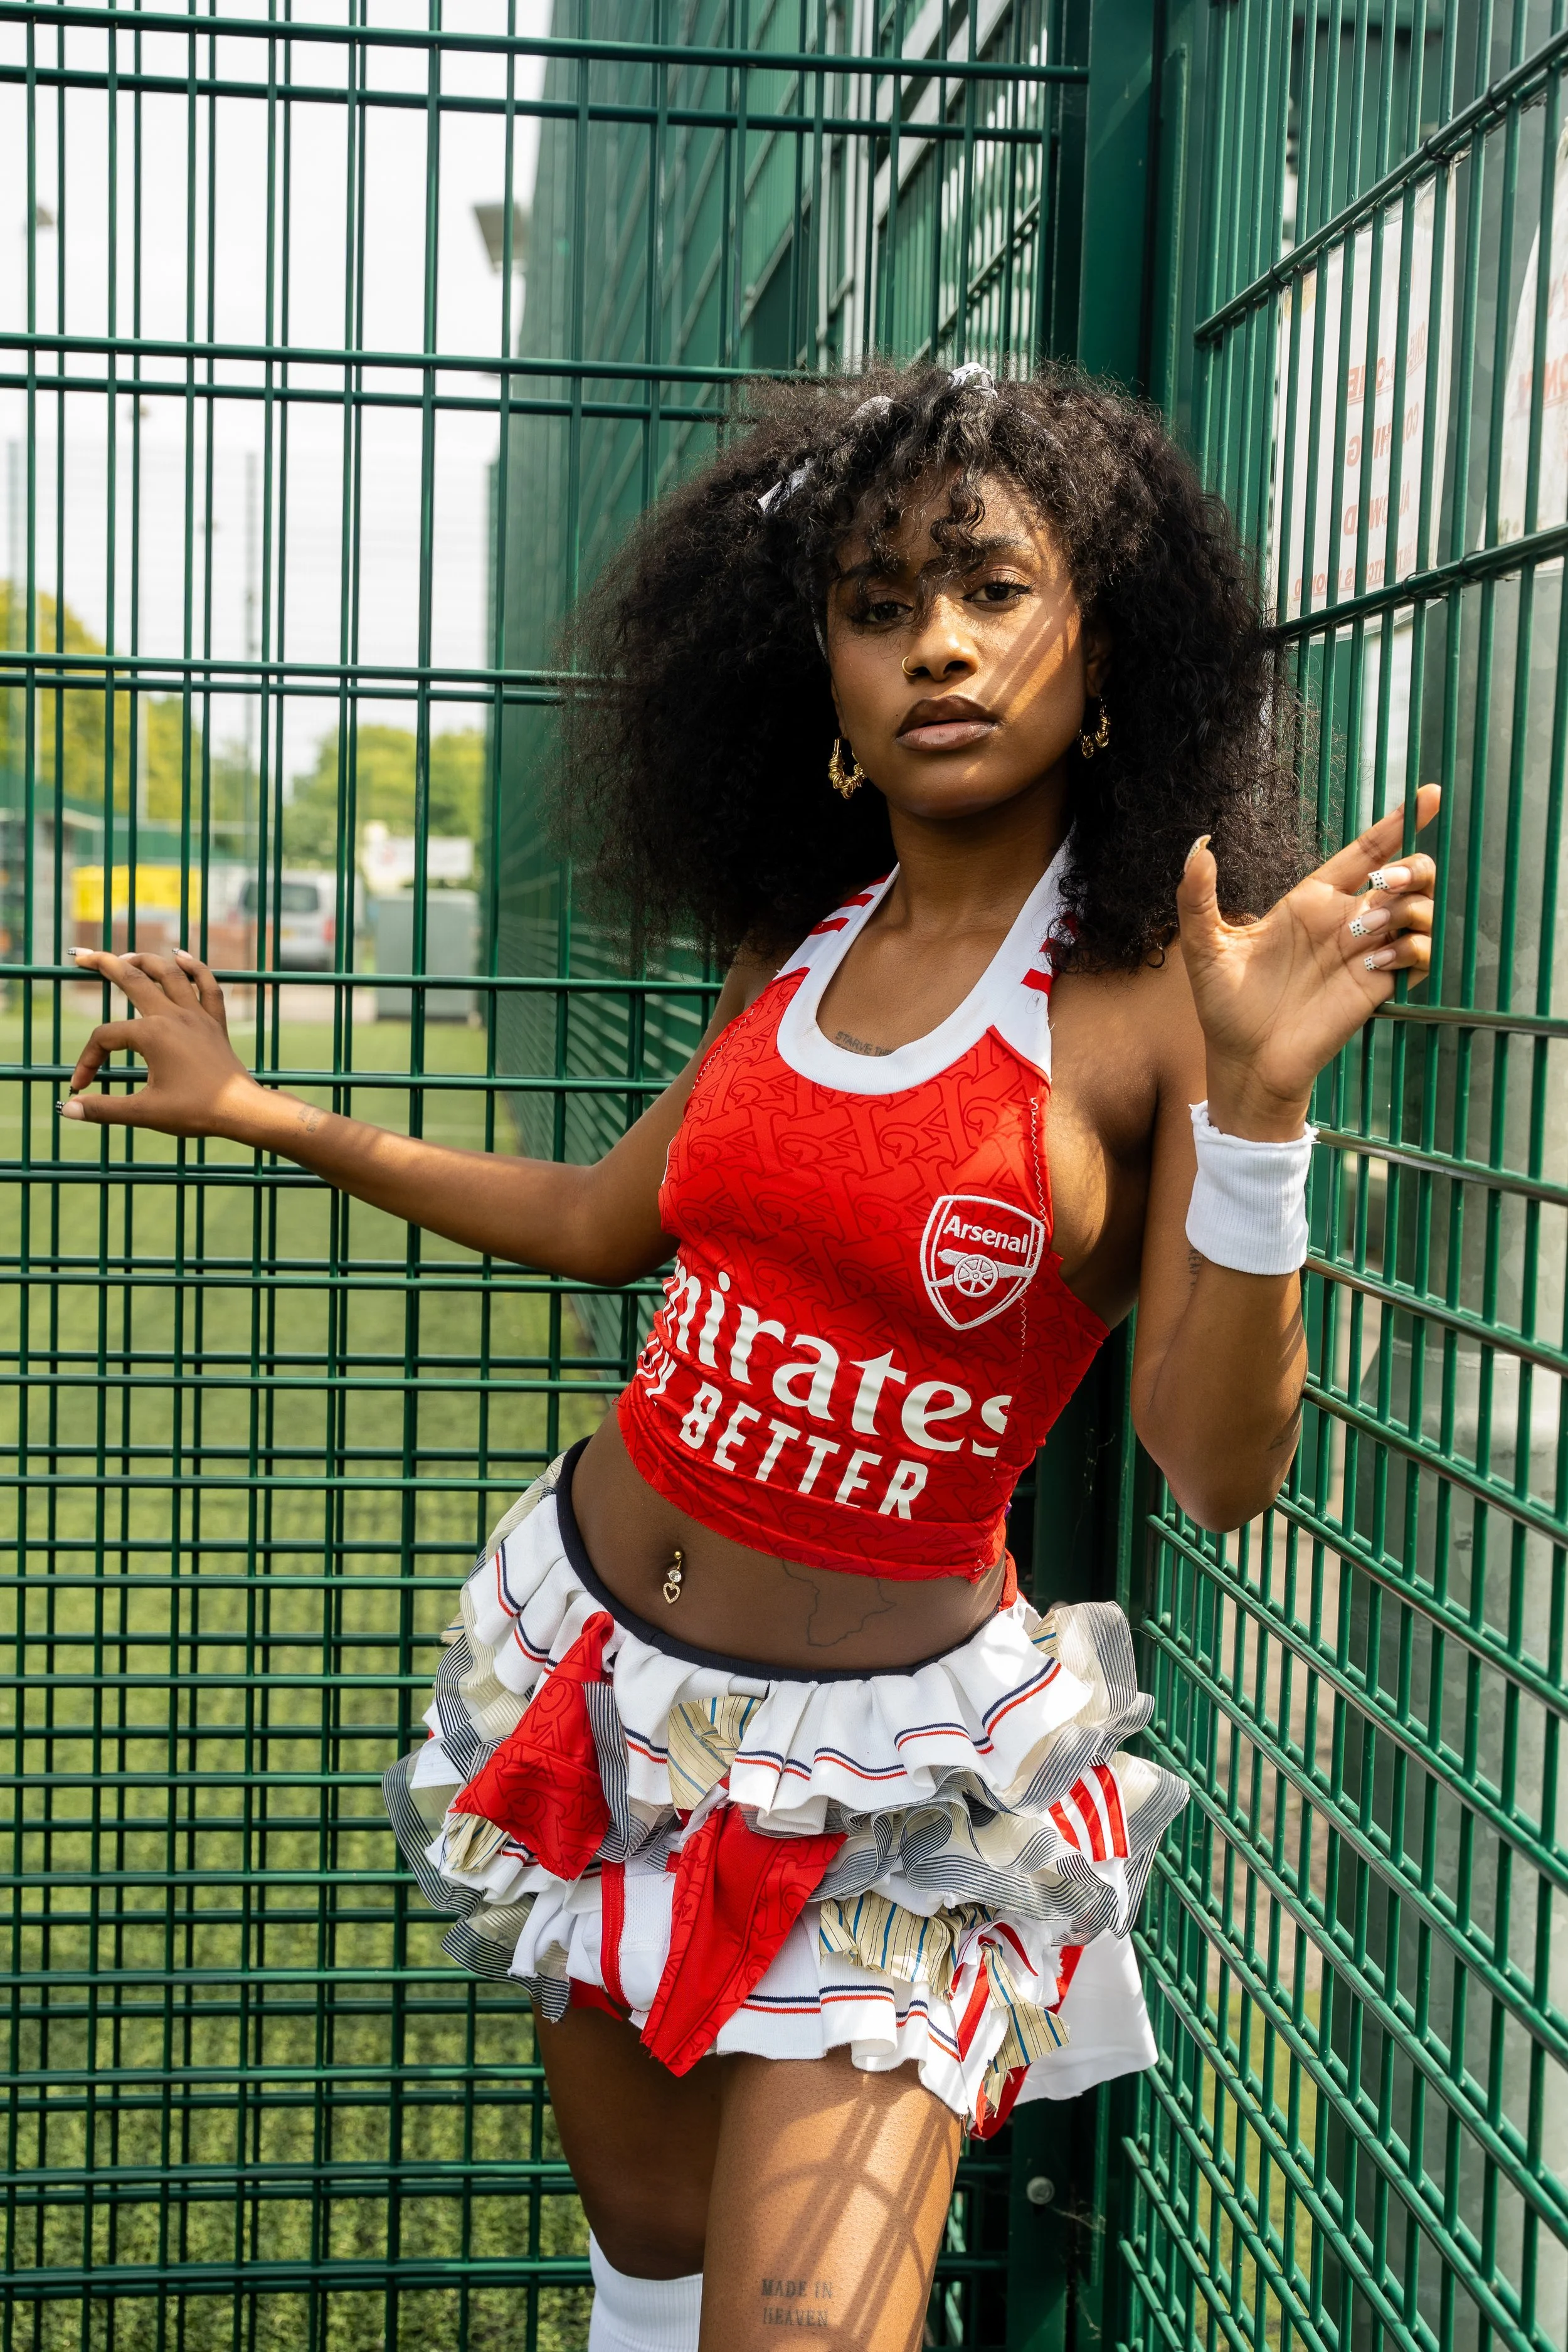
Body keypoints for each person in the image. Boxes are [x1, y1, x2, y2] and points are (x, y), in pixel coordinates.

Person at [59, 362, 1436, 2352]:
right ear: (820, 686)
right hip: (602, 1685)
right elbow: (598, 1219)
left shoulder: (1156, 1001)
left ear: (1106, 654)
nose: (936, 644)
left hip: (890, 1777)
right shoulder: (795, 942)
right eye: (875, 606)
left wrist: (1262, 1115)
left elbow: (1215, 1466)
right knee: (646, 2248)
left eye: (991, 587)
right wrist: (259, 1106)